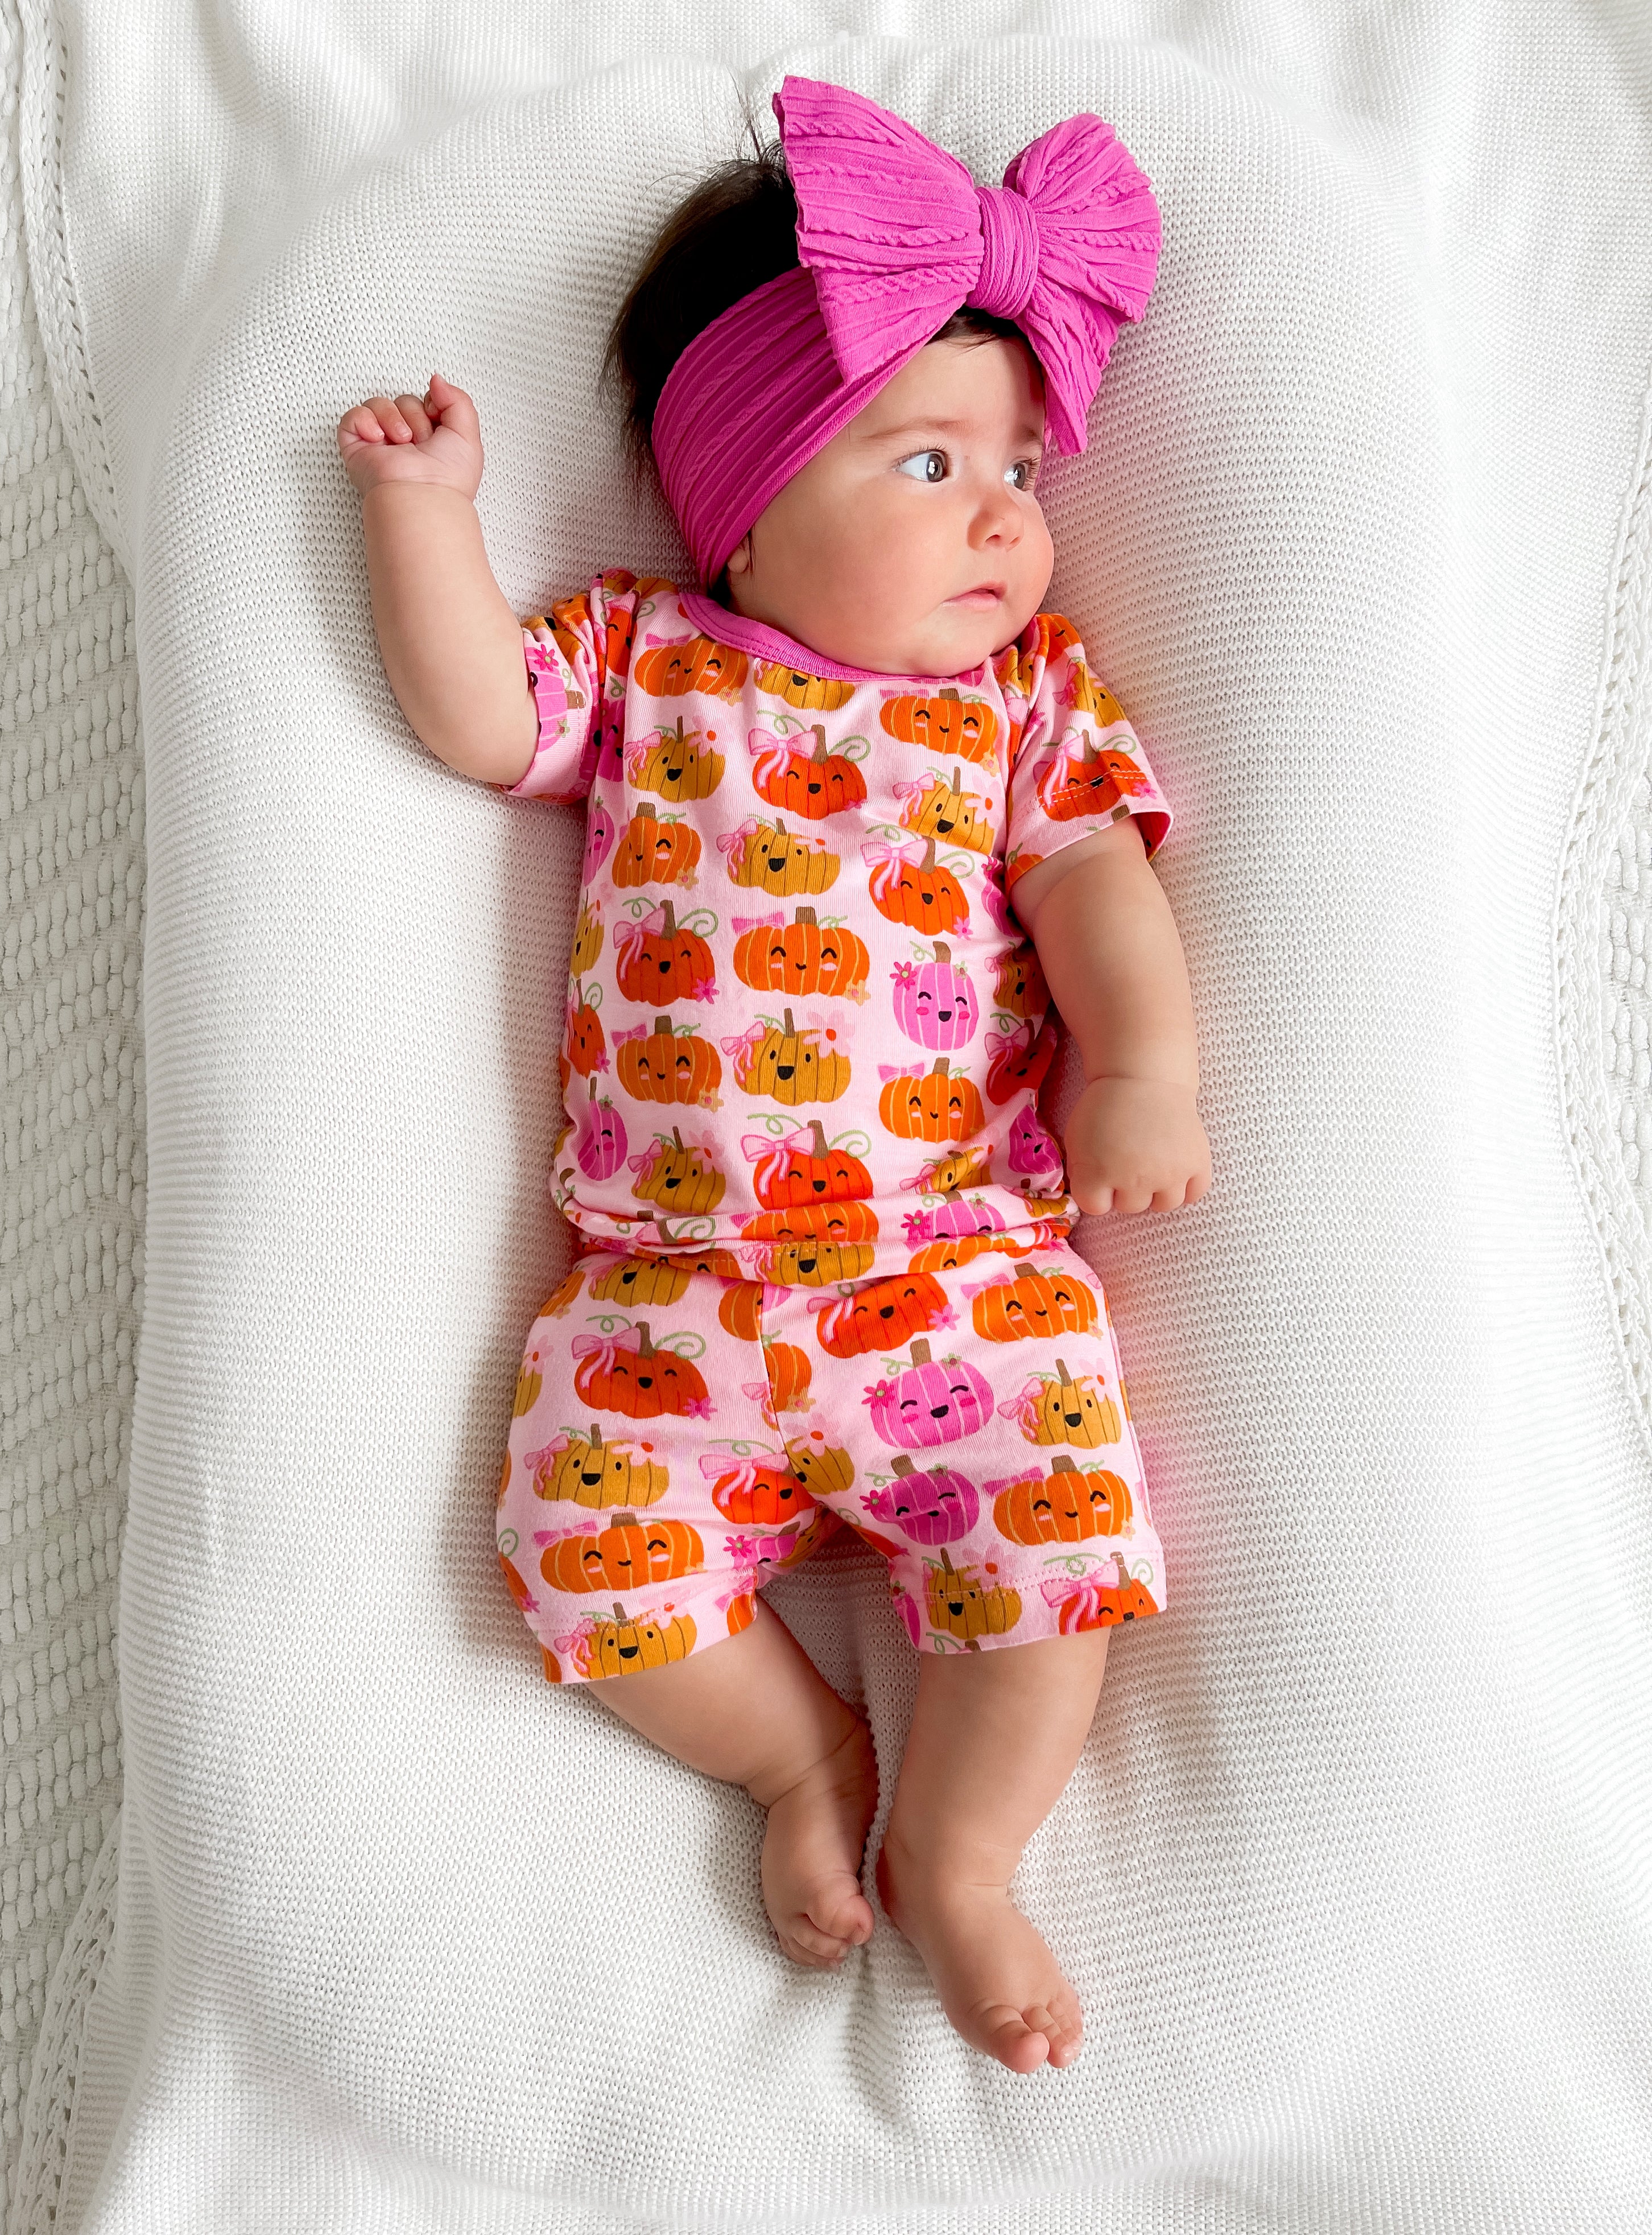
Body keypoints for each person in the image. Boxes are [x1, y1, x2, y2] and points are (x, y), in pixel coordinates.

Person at [336, 76, 1210, 2076]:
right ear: (747, 505)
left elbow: (1097, 883)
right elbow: (481, 723)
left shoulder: (1020, 707)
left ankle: (965, 1860)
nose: (1009, 517)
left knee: (1062, 1555)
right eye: (933, 463)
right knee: (582, 1557)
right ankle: (799, 1757)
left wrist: (1142, 1066)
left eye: (1021, 466)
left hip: (957, 1268)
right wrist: (426, 516)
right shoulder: (649, 665)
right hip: (668, 1290)